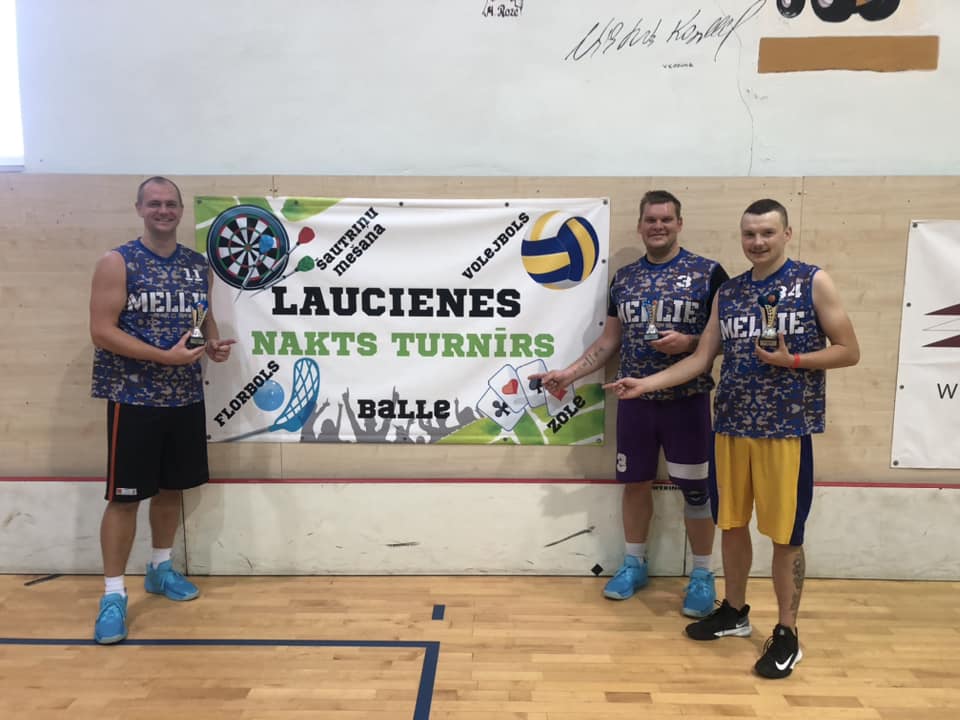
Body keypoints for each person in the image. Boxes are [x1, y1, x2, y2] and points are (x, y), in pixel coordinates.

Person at [606, 198, 859, 678]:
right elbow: (700, 360)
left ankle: (787, 632)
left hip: (785, 431)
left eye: (767, 233)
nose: (757, 242)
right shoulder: (730, 292)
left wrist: (794, 361)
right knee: (732, 525)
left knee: (785, 537)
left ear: (786, 234)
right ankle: (735, 612)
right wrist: (644, 384)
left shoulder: (812, 281)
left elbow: (849, 350)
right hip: (729, 427)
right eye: (749, 234)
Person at [535, 190, 728, 618]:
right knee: (635, 483)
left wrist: (690, 342)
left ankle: (702, 573)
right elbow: (609, 342)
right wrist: (569, 374)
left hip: (688, 401)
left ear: (679, 224)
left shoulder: (709, 273)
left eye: (666, 219)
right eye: (651, 220)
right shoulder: (624, 279)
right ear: (640, 226)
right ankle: (634, 564)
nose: (658, 226)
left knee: (697, 490)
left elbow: (726, 339)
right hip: (634, 402)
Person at [89, 176, 236, 644]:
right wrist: (163, 357)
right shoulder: (118, 262)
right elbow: (101, 331)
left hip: (185, 397)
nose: (163, 210)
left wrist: (212, 344)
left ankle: (160, 568)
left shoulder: (197, 266)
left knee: (172, 489)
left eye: (171, 204)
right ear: (139, 208)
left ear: (181, 211)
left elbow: (202, 318)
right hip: (133, 399)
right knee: (125, 498)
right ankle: (113, 594)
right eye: (154, 203)